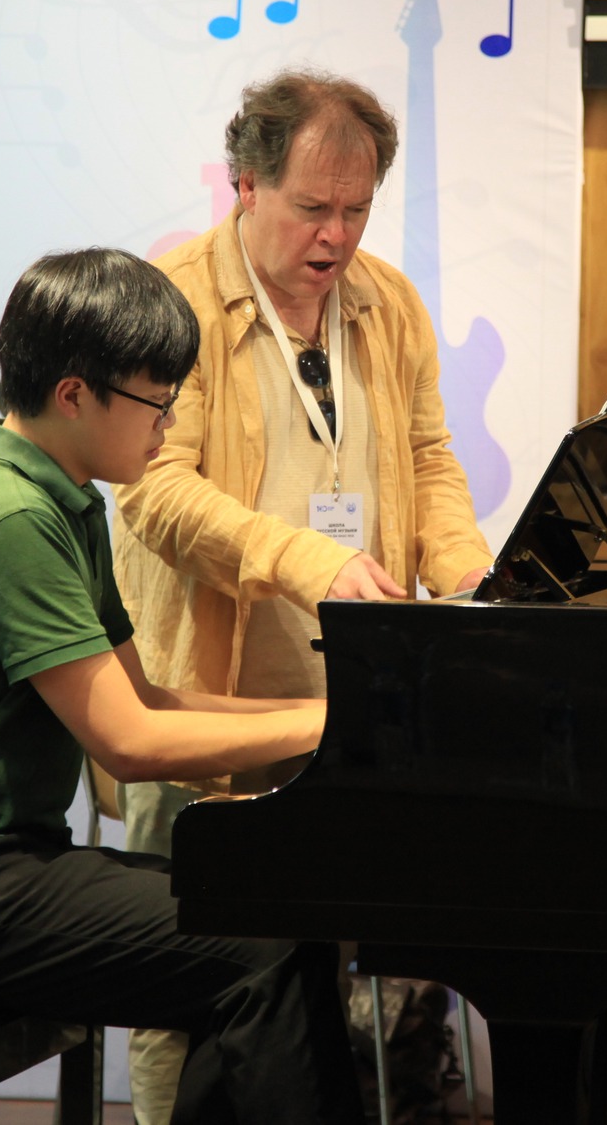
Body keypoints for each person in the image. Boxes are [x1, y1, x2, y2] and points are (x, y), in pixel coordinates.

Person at [0, 247, 363, 1125]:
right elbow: (129, 743)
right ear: (75, 394)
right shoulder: (6, 514)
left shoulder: (62, 502)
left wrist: (325, 712)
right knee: (260, 946)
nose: (168, 425)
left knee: (260, 924)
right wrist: (331, 724)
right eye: (157, 401)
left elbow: (147, 699)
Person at [111, 70, 496, 1120]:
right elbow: (153, 491)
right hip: (204, 702)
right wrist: (307, 561)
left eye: (357, 209)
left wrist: (468, 573)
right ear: (245, 184)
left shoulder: (388, 301)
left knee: (329, 974)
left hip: (350, 704)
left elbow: (428, 459)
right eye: (313, 207)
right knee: (184, 979)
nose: (337, 235)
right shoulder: (171, 301)